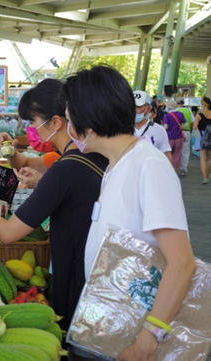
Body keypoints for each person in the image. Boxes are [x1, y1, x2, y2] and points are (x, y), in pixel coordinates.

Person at [0, 79, 108, 338]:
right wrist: (16, 155)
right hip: (95, 274)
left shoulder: (64, 169)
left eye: (34, 122)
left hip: (75, 278)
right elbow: (29, 164)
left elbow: (8, 233)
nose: (31, 129)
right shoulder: (91, 157)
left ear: (58, 122)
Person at [63, 66, 195, 361]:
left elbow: (182, 262)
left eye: (71, 121)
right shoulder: (116, 164)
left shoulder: (148, 165)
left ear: (90, 121)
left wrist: (149, 339)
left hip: (135, 338)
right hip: (109, 326)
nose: (69, 131)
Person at [133, 91, 172, 165]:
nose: (134, 110)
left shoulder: (159, 130)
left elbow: (167, 155)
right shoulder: (121, 130)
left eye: (138, 107)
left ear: (148, 109)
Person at [163, 99, 187, 171]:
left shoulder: (167, 115)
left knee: (168, 153)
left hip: (170, 138)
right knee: (177, 154)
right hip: (178, 138)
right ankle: (174, 169)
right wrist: (181, 128)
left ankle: (168, 169)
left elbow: (165, 126)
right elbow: (186, 124)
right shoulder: (180, 114)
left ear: (169, 107)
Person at [191, 97, 211, 184]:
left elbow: (195, 127)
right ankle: (207, 175)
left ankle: (204, 178)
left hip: (202, 137)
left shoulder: (199, 115)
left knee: (202, 158)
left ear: (203, 104)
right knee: (209, 159)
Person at [176, 99, 194, 176]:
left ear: (177, 104)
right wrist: (190, 130)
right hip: (186, 131)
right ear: (183, 103)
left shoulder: (175, 111)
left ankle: (174, 167)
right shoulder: (188, 111)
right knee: (185, 150)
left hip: (177, 132)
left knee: (176, 150)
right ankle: (183, 168)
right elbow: (192, 122)